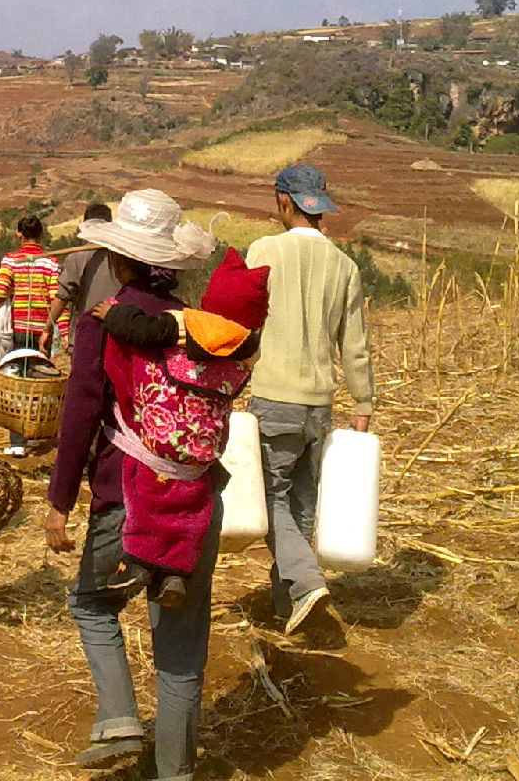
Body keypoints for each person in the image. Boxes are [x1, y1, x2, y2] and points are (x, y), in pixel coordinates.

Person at [44, 188, 220, 779]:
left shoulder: (108, 318)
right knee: (180, 646)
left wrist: (60, 500)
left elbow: (82, 406)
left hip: (128, 492)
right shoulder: (192, 324)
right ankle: (175, 772)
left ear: (118, 259)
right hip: (196, 495)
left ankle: (119, 716)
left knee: (92, 602)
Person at [91, 245, 268, 605]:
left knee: (144, 497)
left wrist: (114, 314)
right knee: (193, 510)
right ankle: (175, 572)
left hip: (164, 435)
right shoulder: (246, 347)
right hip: (201, 450)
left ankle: (138, 563)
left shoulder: (186, 323)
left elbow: (144, 331)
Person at [244, 164, 376, 635]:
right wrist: (362, 403)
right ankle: (291, 607)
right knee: (301, 501)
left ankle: (304, 583)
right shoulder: (345, 266)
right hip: (319, 403)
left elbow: (244, 323)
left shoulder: (263, 251)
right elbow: (354, 343)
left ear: (283, 201)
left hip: (274, 397)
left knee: (271, 497)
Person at [0, 214, 67, 456]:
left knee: (18, 382)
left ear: (19, 234)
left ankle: (18, 441)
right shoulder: (51, 263)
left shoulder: (11, 261)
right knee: (38, 383)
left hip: (18, 331)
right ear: (41, 235)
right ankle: (35, 436)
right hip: (44, 332)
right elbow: (58, 298)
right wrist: (62, 332)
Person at [39, 201, 118, 357]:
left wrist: (47, 328)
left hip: (85, 339)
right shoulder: (123, 259)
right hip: (117, 337)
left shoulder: (76, 258)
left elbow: (62, 297)